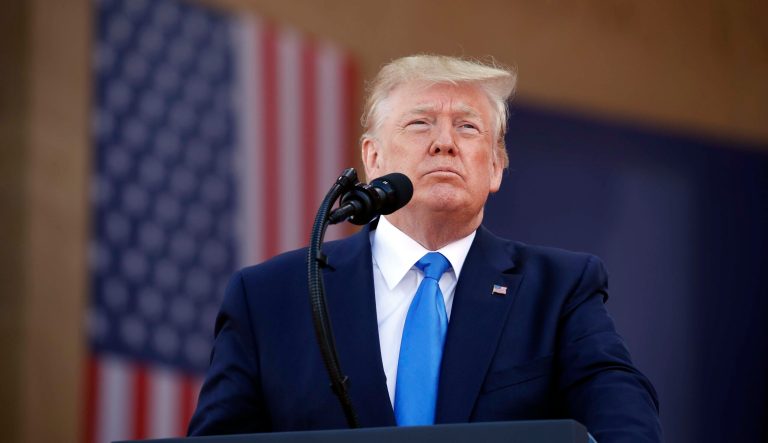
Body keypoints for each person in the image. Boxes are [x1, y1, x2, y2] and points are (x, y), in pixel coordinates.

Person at [188, 55, 662, 442]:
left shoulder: (558, 290)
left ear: (496, 167)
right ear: (373, 159)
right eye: (420, 124)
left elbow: (623, 417)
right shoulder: (271, 296)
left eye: (467, 128)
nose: (444, 143)